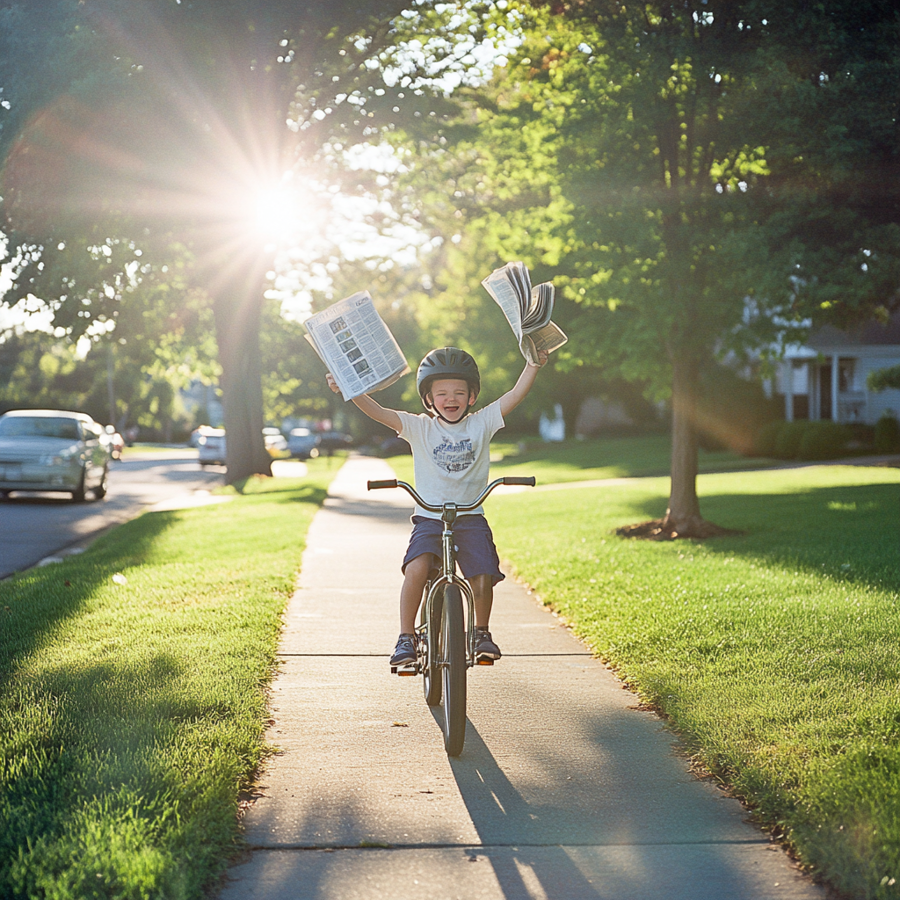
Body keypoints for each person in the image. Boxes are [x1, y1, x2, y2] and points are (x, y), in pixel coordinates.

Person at [326, 345, 548, 667]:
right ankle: (406, 637)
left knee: (483, 573)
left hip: (470, 516)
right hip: (430, 518)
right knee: (416, 568)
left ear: (472, 396)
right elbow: (378, 412)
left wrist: (534, 365)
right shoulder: (420, 427)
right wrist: (348, 389)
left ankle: (480, 633)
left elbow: (514, 395)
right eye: (441, 392)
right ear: (428, 399)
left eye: (460, 391)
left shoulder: (481, 423)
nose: (451, 398)